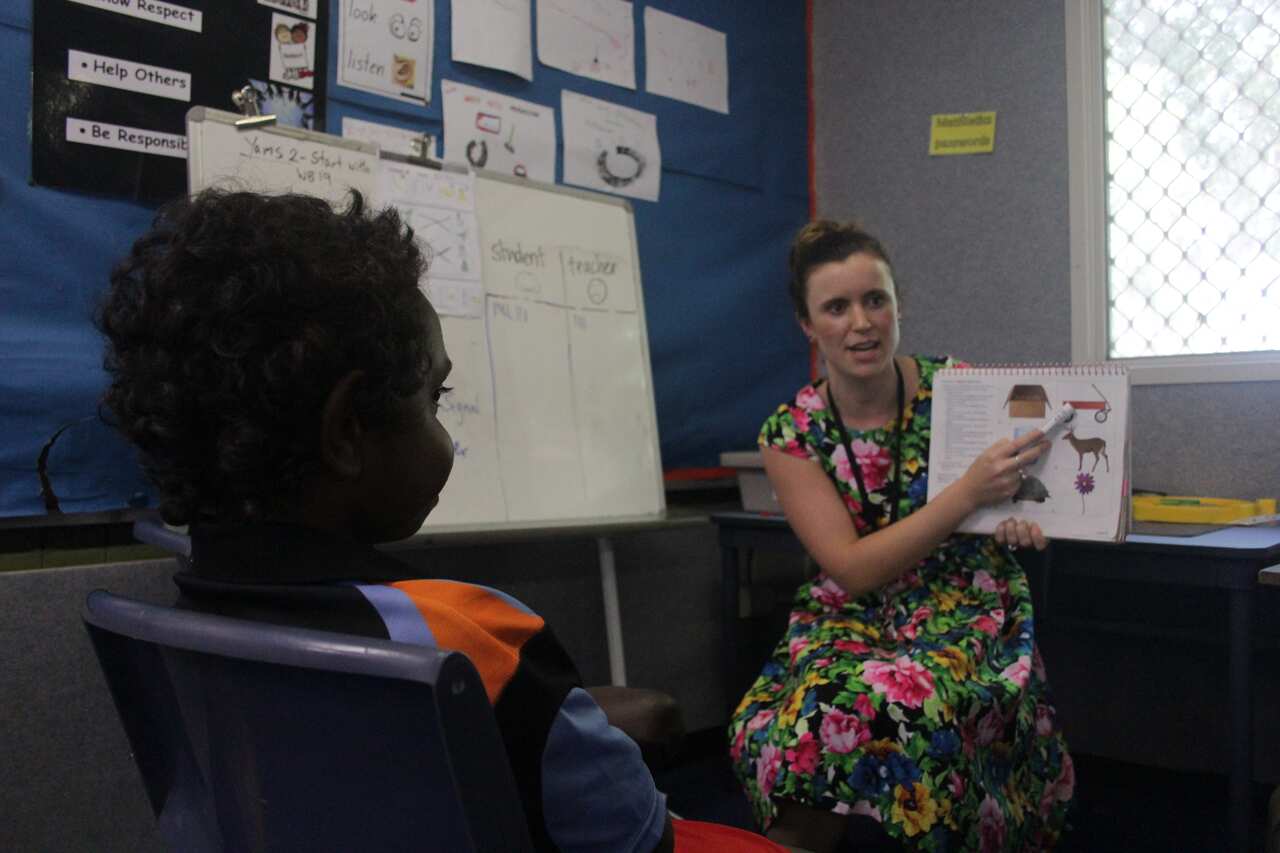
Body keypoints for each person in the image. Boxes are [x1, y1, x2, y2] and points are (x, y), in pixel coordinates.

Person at [97, 188, 786, 853]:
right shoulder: (471, 640)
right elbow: (634, 833)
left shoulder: (182, 617)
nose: (442, 423)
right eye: (436, 396)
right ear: (348, 430)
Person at [727, 220, 1074, 852]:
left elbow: (1008, 495)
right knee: (810, 711)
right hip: (851, 610)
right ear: (808, 325)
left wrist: (1016, 517)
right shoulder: (790, 432)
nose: (861, 323)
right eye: (836, 307)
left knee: (917, 702)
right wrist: (968, 494)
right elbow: (853, 570)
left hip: (962, 600)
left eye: (875, 300)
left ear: (898, 305)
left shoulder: (959, 389)